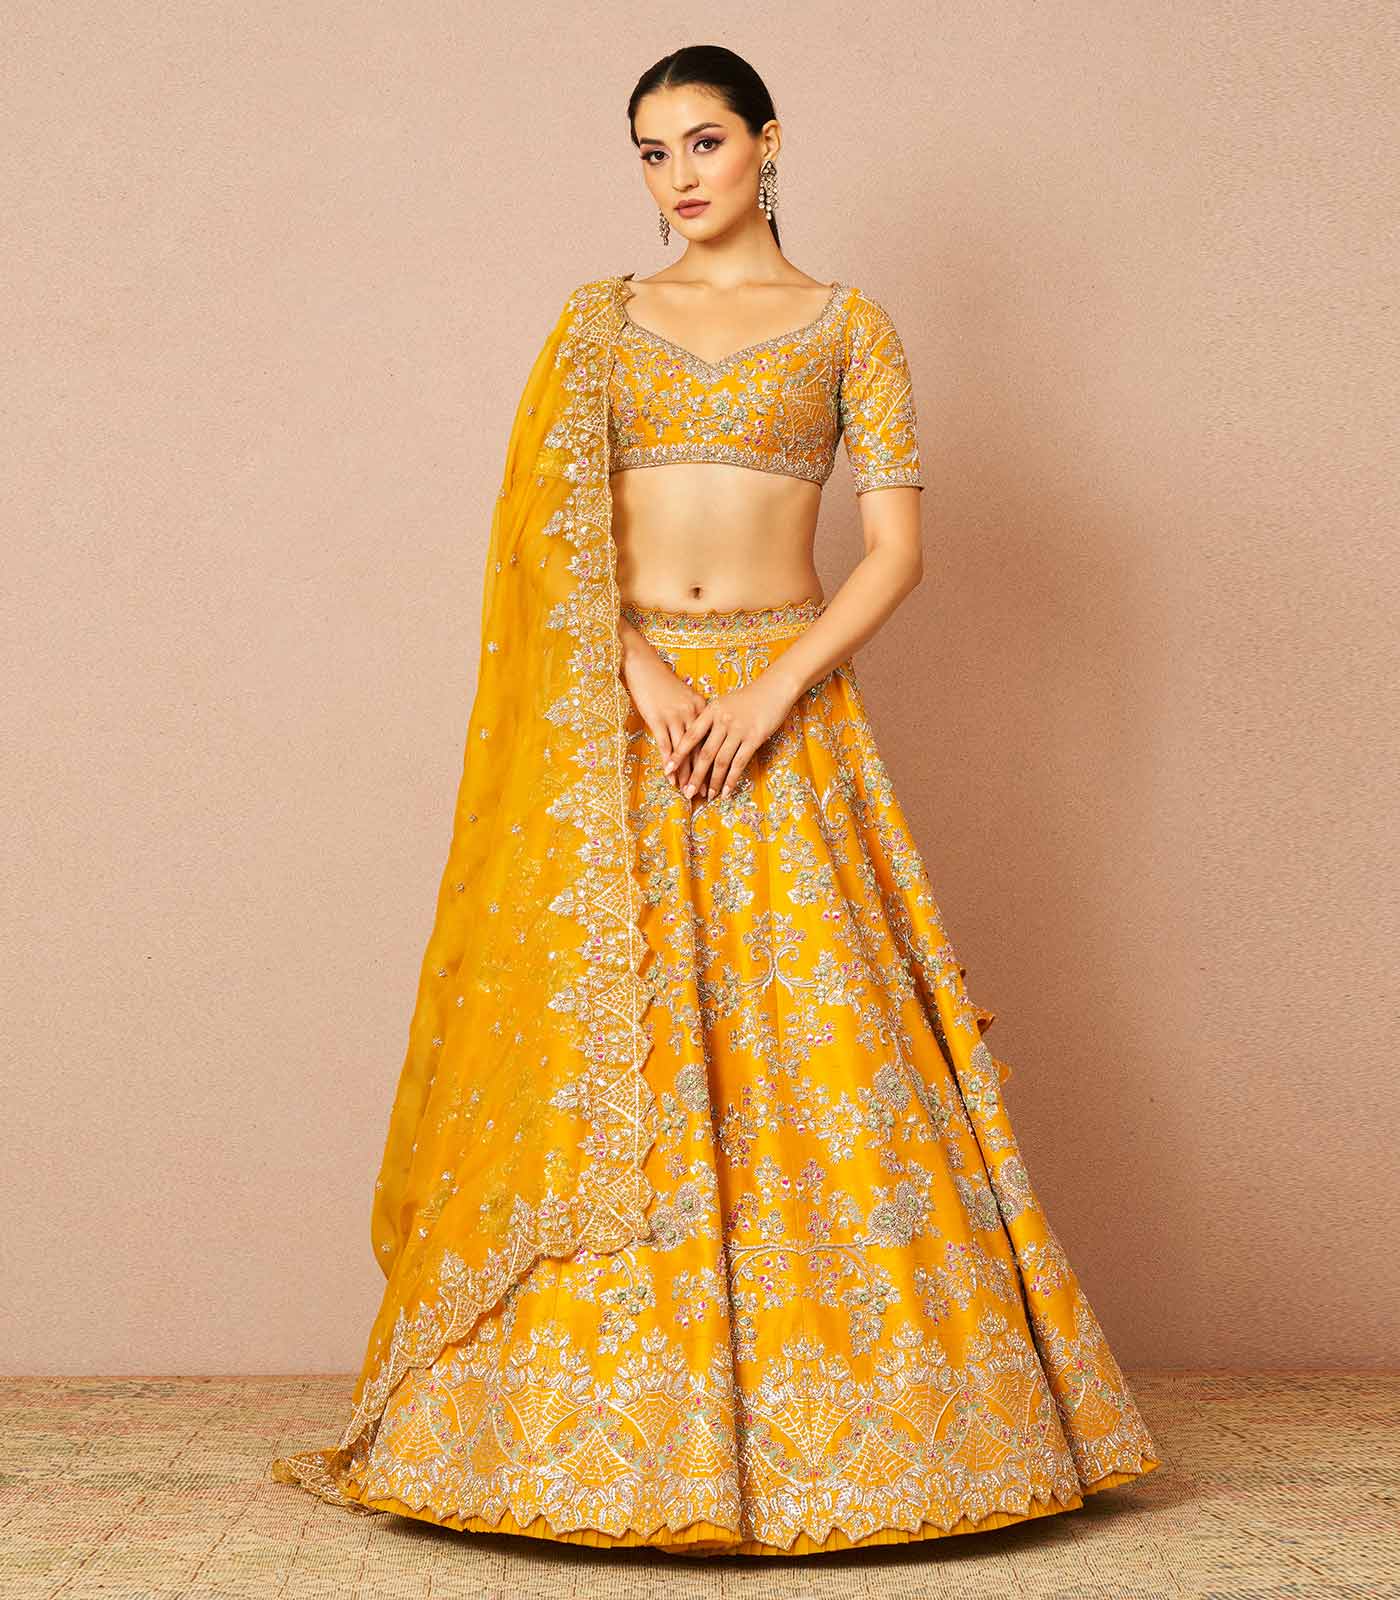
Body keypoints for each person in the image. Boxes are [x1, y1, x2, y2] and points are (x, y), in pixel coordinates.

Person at [270, 43, 1161, 1558]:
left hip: (781, 712)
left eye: (702, 141)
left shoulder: (849, 325)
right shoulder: (597, 324)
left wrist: (769, 691)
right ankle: (564, 1445)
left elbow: (896, 551)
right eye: (650, 151)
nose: (678, 176)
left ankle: (880, 1445)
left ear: (768, 142)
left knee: (817, 1054)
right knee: (605, 1052)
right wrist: (641, 674)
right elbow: (547, 538)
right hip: (624, 721)